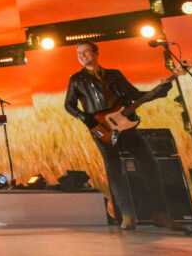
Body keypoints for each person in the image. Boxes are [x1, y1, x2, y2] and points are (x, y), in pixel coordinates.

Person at [65, 41, 172, 230]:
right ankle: (127, 216)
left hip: (126, 126)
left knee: (149, 164)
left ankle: (160, 214)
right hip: (100, 128)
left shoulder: (114, 74)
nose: (81, 56)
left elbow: (134, 94)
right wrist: (84, 118)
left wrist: (159, 91)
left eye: (85, 52)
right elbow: (69, 105)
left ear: (96, 53)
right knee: (115, 172)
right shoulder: (76, 79)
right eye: (78, 54)